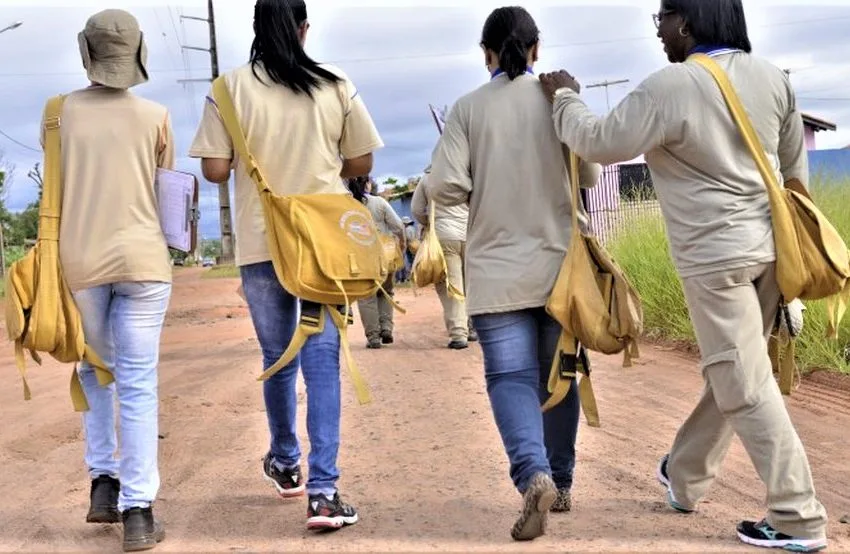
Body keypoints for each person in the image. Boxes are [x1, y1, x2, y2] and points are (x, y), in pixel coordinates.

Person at [539, 0, 828, 551]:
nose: (659, 32)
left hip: (715, 258)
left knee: (743, 380)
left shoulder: (670, 86)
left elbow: (600, 141)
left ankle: (797, 516)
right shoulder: (773, 80)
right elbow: (795, 173)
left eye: (662, 20)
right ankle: (685, 476)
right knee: (736, 368)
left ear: (687, 24)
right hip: (773, 252)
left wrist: (566, 99)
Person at [188, 0, 383, 531]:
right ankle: (324, 493)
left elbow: (214, 169)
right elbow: (363, 160)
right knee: (323, 359)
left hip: (260, 244)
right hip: (322, 244)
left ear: (255, 29)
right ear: (304, 29)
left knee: (278, 356)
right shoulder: (335, 82)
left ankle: (286, 462)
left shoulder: (227, 88)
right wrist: (323, 166)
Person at [425, 6, 601, 541]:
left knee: (510, 379)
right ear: (535, 49)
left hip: (497, 272)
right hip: (560, 269)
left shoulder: (467, 109)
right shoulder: (559, 99)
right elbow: (590, 168)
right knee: (558, 376)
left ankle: (534, 474)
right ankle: (563, 482)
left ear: (487, 54)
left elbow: (445, 188)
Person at [59, 9, 173, 551]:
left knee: (93, 369)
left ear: (86, 51)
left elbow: (56, 193)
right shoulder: (156, 115)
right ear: (138, 53)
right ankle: (139, 513)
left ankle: (103, 483)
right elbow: (170, 201)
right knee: (138, 380)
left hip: (79, 261)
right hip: (144, 261)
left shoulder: (57, 114)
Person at [412, 164, 478, 349]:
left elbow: (417, 209)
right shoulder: (467, 175)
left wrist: (431, 223)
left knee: (451, 285)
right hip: (471, 234)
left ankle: (459, 333)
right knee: (470, 284)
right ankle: (473, 328)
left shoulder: (427, 178)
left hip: (444, 236)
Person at [347, 175, 404, 348]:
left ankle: (373, 337)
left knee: (366, 297)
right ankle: (386, 327)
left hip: (359, 258)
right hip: (383, 256)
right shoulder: (379, 202)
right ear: (367, 184)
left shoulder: (347, 205)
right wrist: (402, 243)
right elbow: (398, 225)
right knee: (386, 292)